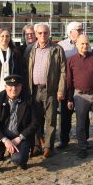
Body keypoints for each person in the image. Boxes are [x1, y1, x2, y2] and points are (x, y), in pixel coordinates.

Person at [0, 74, 39, 176]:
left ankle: (20, 158)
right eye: (10, 86)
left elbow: (35, 123)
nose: (13, 89)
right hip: (2, 134)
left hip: (20, 136)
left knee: (18, 160)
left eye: (17, 86)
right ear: (5, 87)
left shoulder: (29, 100)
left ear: (21, 87)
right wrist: (5, 139)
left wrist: (19, 138)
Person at [26, 23, 66, 157]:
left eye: (45, 33)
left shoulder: (57, 49)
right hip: (34, 90)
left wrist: (61, 90)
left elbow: (63, 71)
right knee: (35, 119)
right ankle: (37, 145)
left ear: (49, 34)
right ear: (36, 34)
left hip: (51, 90)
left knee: (51, 119)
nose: (43, 35)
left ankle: (48, 146)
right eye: (40, 33)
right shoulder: (30, 49)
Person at [57, 21, 86, 149]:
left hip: (81, 85)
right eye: (79, 30)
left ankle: (84, 140)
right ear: (70, 32)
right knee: (65, 116)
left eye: (82, 30)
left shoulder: (86, 45)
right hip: (67, 85)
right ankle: (64, 140)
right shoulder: (61, 46)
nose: (81, 32)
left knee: (84, 115)